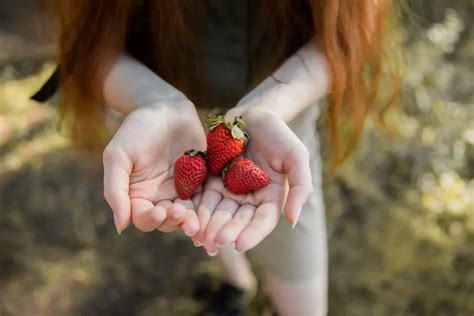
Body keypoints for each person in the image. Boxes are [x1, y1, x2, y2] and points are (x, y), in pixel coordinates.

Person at [36, 1, 397, 315]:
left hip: (282, 114)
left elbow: (352, 26)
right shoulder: (177, 147)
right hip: (163, 105)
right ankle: (238, 281)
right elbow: (88, 40)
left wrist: (271, 106)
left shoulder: (264, 143)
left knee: (301, 291)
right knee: (196, 208)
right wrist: (152, 100)